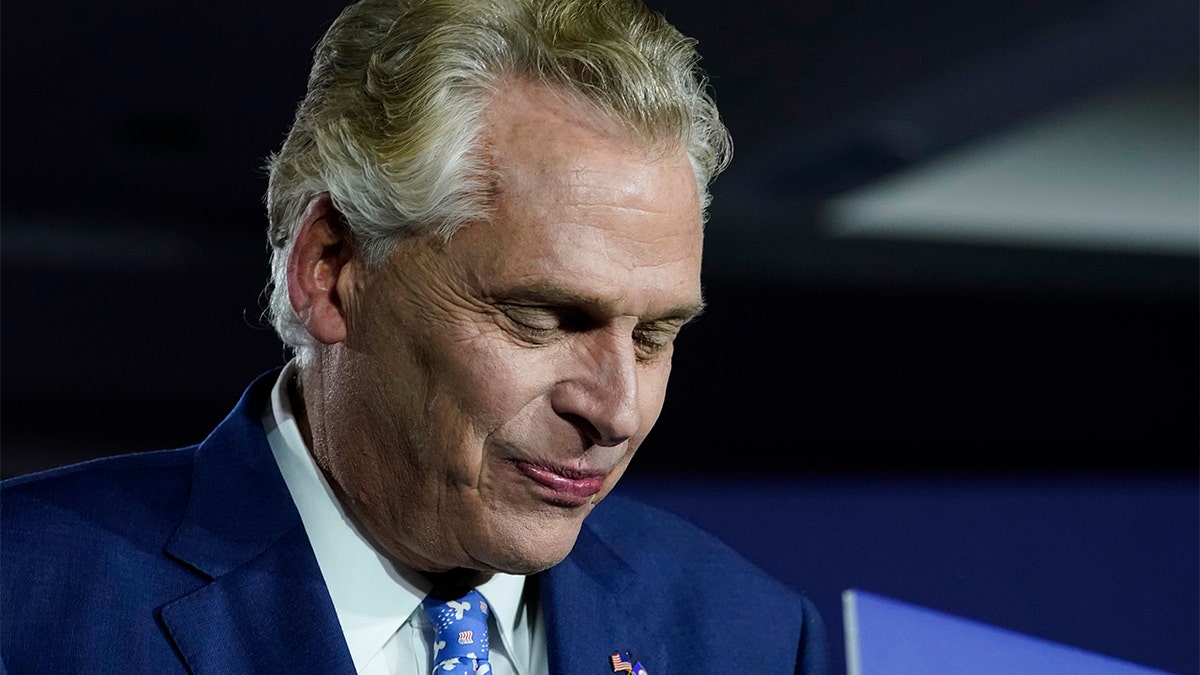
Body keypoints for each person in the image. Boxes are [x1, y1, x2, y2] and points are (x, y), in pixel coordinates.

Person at [1, 0, 830, 672]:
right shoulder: (28, 598)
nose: (616, 409)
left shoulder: (749, 635)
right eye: (543, 318)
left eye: (654, 334)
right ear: (332, 268)